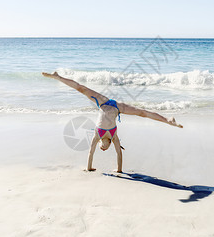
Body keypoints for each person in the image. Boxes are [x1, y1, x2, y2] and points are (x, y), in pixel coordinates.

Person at [42, 71, 183, 173]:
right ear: (108, 144)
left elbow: (90, 153)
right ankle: (168, 120)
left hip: (103, 102)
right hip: (117, 107)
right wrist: (119, 170)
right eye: (105, 149)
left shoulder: (97, 135)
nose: (102, 149)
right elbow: (119, 154)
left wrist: (89, 167)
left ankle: (168, 120)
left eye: (100, 148)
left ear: (99, 144)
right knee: (142, 113)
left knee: (82, 89)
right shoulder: (114, 137)